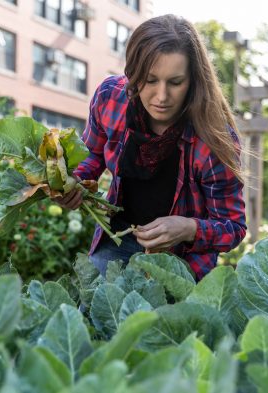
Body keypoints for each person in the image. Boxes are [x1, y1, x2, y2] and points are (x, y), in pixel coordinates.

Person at [54, 14, 246, 280]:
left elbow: (233, 228)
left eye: (175, 82)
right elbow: (92, 156)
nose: (162, 97)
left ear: (193, 80)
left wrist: (188, 228)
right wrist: (74, 183)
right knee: (96, 314)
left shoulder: (213, 140)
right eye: (150, 80)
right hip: (117, 241)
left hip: (182, 261)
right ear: (132, 74)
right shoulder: (110, 99)